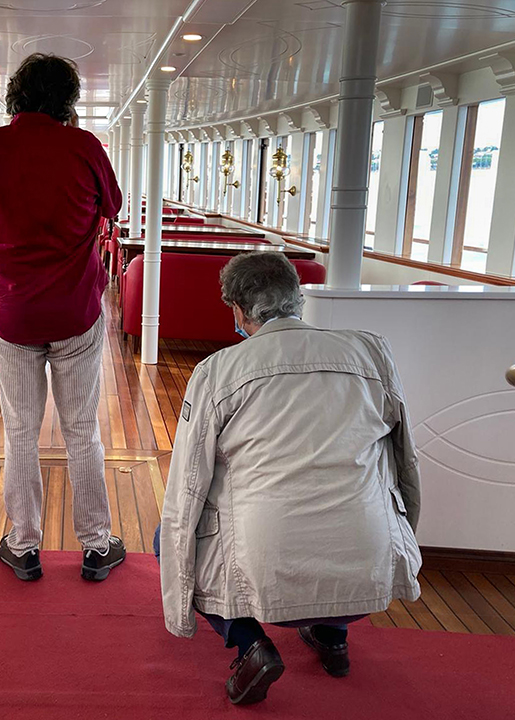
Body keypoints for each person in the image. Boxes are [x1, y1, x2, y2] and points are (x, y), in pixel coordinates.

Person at [157, 252, 422, 705]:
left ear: (237, 311)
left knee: (167, 535)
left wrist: (178, 612)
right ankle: (333, 638)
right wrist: (402, 545)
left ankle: (250, 646)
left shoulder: (217, 371)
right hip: (367, 574)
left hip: (264, 581)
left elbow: (187, 488)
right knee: (344, 501)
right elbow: (405, 463)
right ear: (299, 299)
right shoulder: (373, 352)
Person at [0, 54, 125, 582]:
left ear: (16, 95)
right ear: (68, 102)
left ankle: (23, 544)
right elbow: (113, 206)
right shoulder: (85, 147)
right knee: (82, 430)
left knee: (20, 431)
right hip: (75, 311)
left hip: (12, 313)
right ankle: (97, 546)